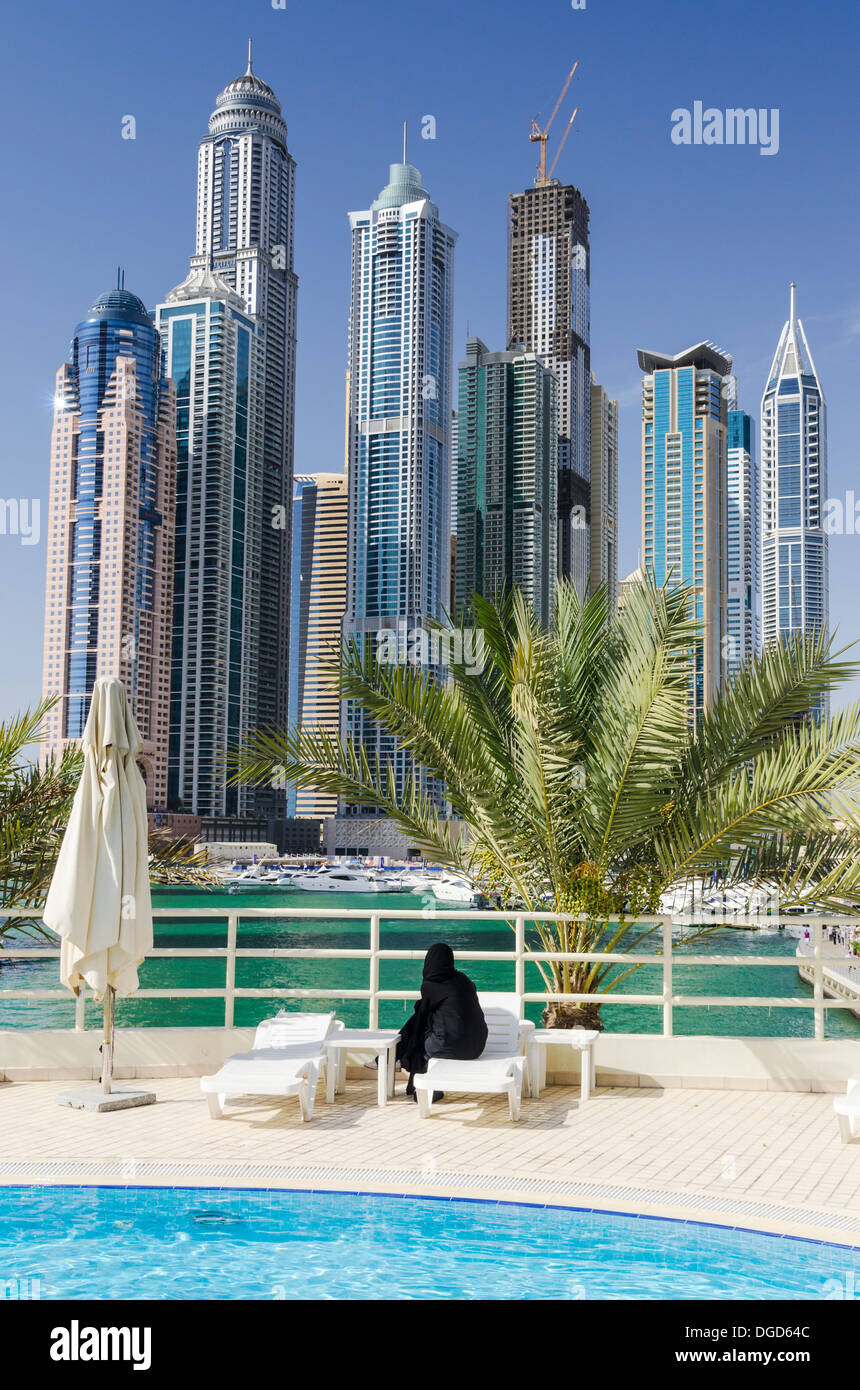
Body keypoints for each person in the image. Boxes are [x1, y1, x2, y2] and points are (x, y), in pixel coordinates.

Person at [397, 942, 488, 1102]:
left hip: (447, 1048)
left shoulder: (430, 985)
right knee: (422, 1021)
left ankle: (417, 1080)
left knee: (419, 1029)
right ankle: (407, 1070)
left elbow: (422, 1017)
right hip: (477, 1047)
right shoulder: (463, 980)